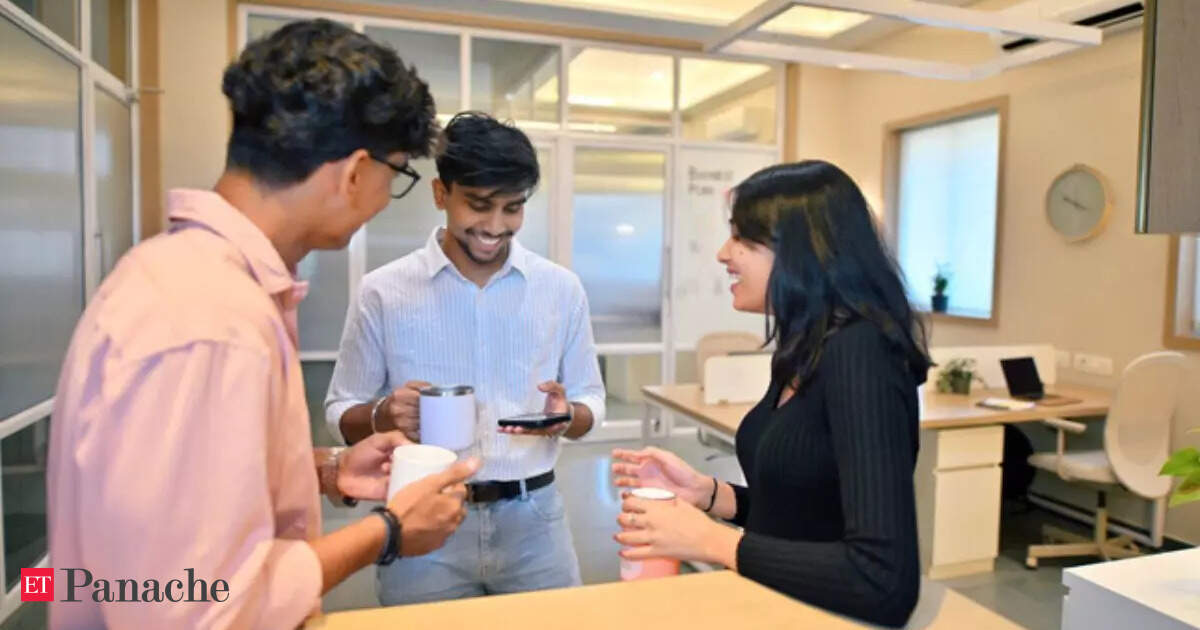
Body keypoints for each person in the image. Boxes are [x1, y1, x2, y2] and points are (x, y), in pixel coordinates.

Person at [47, 20, 479, 630]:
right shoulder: (206, 321)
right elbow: (188, 607)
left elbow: (186, 500)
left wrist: (326, 469)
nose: (386, 197)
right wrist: (388, 531)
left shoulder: (188, 280)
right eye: (398, 174)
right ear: (355, 171)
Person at [612, 160, 931, 628]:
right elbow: (808, 513)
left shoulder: (862, 354)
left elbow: (883, 581)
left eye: (742, 238)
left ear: (803, 252)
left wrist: (709, 541)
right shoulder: (804, 350)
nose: (723, 253)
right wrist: (711, 496)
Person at [325, 111, 605, 605]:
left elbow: (590, 404)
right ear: (441, 194)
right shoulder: (384, 291)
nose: (495, 227)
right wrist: (382, 414)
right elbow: (340, 413)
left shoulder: (560, 289)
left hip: (534, 518)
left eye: (513, 208)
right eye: (479, 205)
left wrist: (568, 416)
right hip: (421, 515)